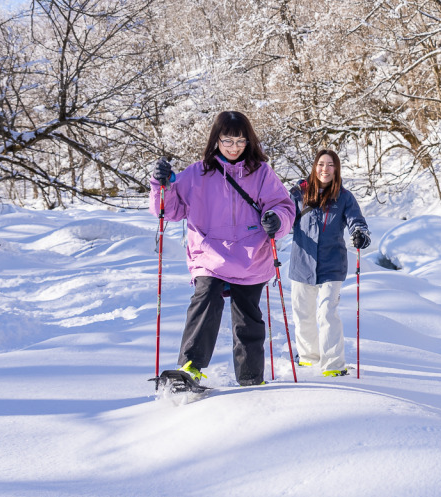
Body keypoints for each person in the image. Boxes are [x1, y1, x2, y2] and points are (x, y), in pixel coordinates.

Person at [151, 111, 295, 387]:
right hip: (209, 253)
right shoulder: (196, 173)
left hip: (251, 255)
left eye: (240, 141)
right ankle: (190, 367)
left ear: (249, 141)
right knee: (206, 298)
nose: (234, 147)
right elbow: (170, 211)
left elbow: (283, 206)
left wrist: (277, 218)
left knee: (247, 316)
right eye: (228, 140)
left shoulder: (261, 173)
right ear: (216, 140)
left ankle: (251, 379)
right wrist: (161, 185)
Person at [288, 148, 370, 377]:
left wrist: (360, 233)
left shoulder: (343, 197)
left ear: (336, 169)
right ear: (315, 167)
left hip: (332, 264)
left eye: (330, 165)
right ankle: (308, 357)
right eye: (321, 164)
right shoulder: (298, 194)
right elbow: (284, 217)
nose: (325, 169)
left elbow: (356, 221)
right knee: (303, 313)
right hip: (302, 263)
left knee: (327, 313)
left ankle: (333, 364)